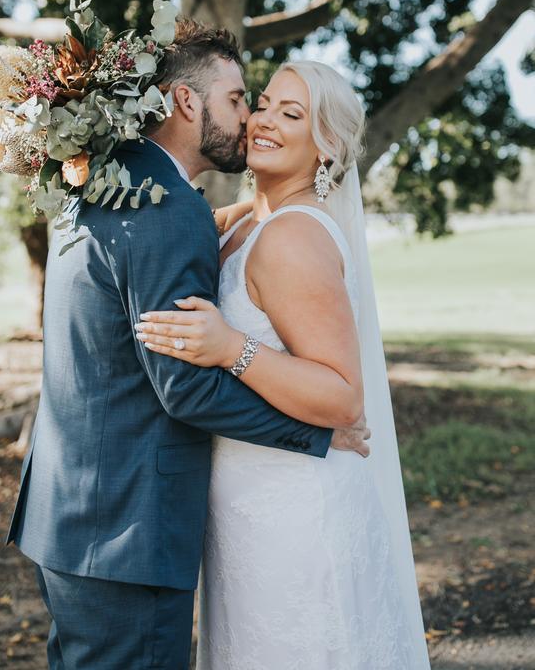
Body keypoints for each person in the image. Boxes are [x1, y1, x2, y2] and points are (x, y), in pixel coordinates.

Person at [6, 25, 369, 670]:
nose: (250, 118)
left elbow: (230, 227)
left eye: (272, 108)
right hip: (125, 527)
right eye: (240, 100)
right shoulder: (164, 208)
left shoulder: (111, 184)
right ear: (185, 102)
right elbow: (186, 386)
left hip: (77, 511)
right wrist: (317, 434)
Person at [139, 59, 431, 670]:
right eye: (264, 103)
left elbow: (344, 397)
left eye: (290, 114)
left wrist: (230, 349)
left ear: (326, 149)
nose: (263, 120)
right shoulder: (249, 223)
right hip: (247, 502)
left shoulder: (292, 238)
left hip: (296, 511)